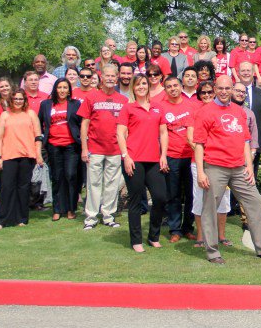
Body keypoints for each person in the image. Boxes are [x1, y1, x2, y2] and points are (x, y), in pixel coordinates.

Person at [193, 76, 261, 264]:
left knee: (256, 202)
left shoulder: (239, 112)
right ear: (215, 89)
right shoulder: (205, 111)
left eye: (228, 88)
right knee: (210, 208)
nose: (225, 91)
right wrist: (201, 172)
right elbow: (199, 144)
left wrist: (249, 166)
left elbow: (245, 140)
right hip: (215, 167)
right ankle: (212, 252)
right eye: (221, 88)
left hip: (238, 167)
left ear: (233, 89)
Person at [116, 74, 169, 253]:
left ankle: (153, 235)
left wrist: (164, 155)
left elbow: (163, 133)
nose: (141, 87)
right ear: (133, 87)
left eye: (144, 83)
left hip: (154, 160)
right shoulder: (128, 108)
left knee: (161, 197)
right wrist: (126, 157)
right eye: (138, 84)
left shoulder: (157, 107)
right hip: (135, 160)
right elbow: (120, 133)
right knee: (136, 201)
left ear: (148, 85)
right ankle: (136, 239)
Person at [78, 63, 128, 230]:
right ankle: (91, 217)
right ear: (101, 77)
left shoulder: (123, 100)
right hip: (95, 148)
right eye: (107, 75)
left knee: (112, 184)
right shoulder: (92, 97)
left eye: (113, 76)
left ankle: (108, 215)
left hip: (114, 149)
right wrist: (84, 148)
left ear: (117, 78)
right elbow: (84, 124)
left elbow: (126, 126)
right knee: (93, 184)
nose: (110, 79)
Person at [188, 82, 232, 246]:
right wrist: (206, 152)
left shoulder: (226, 110)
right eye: (203, 93)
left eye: (209, 92)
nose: (206, 95)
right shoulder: (196, 112)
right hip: (200, 162)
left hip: (223, 162)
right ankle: (200, 236)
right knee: (199, 198)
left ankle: (221, 235)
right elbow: (191, 138)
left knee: (223, 199)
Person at [0, 89, 43, 230]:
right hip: (9, 156)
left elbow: (38, 136)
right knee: (7, 187)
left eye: (21, 99)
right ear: (11, 100)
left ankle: (22, 218)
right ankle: (3, 220)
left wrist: (38, 154)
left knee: (23, 188)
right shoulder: (5, 115)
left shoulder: (31, 114)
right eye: (16, 99)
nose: (18, 101)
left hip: (27, 156)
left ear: (24, 100)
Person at [156, 75, 197, 243]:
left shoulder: (191, 106)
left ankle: (188, 227)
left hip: (190, 156)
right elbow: (162, 133)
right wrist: (163, 156)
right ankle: (175, 229)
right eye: (169, 86)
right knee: (173, 195)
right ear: (165, 89)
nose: (173, 89)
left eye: (175, 85)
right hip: (172, 156)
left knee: (191, 194)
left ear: (181, 87)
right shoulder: (161, 107)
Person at [38, 78, 82, 221]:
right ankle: (57, 209)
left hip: (71, 145)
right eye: (59, 87)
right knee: (57, 177)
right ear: (55, 89)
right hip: (53, 145)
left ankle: (70, 208)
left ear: (69, 90)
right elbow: (39, 123)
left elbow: (82, 123)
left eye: (65, 87)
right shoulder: (46, 104)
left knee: (70, 176)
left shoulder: (75, 104)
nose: (62, 90)